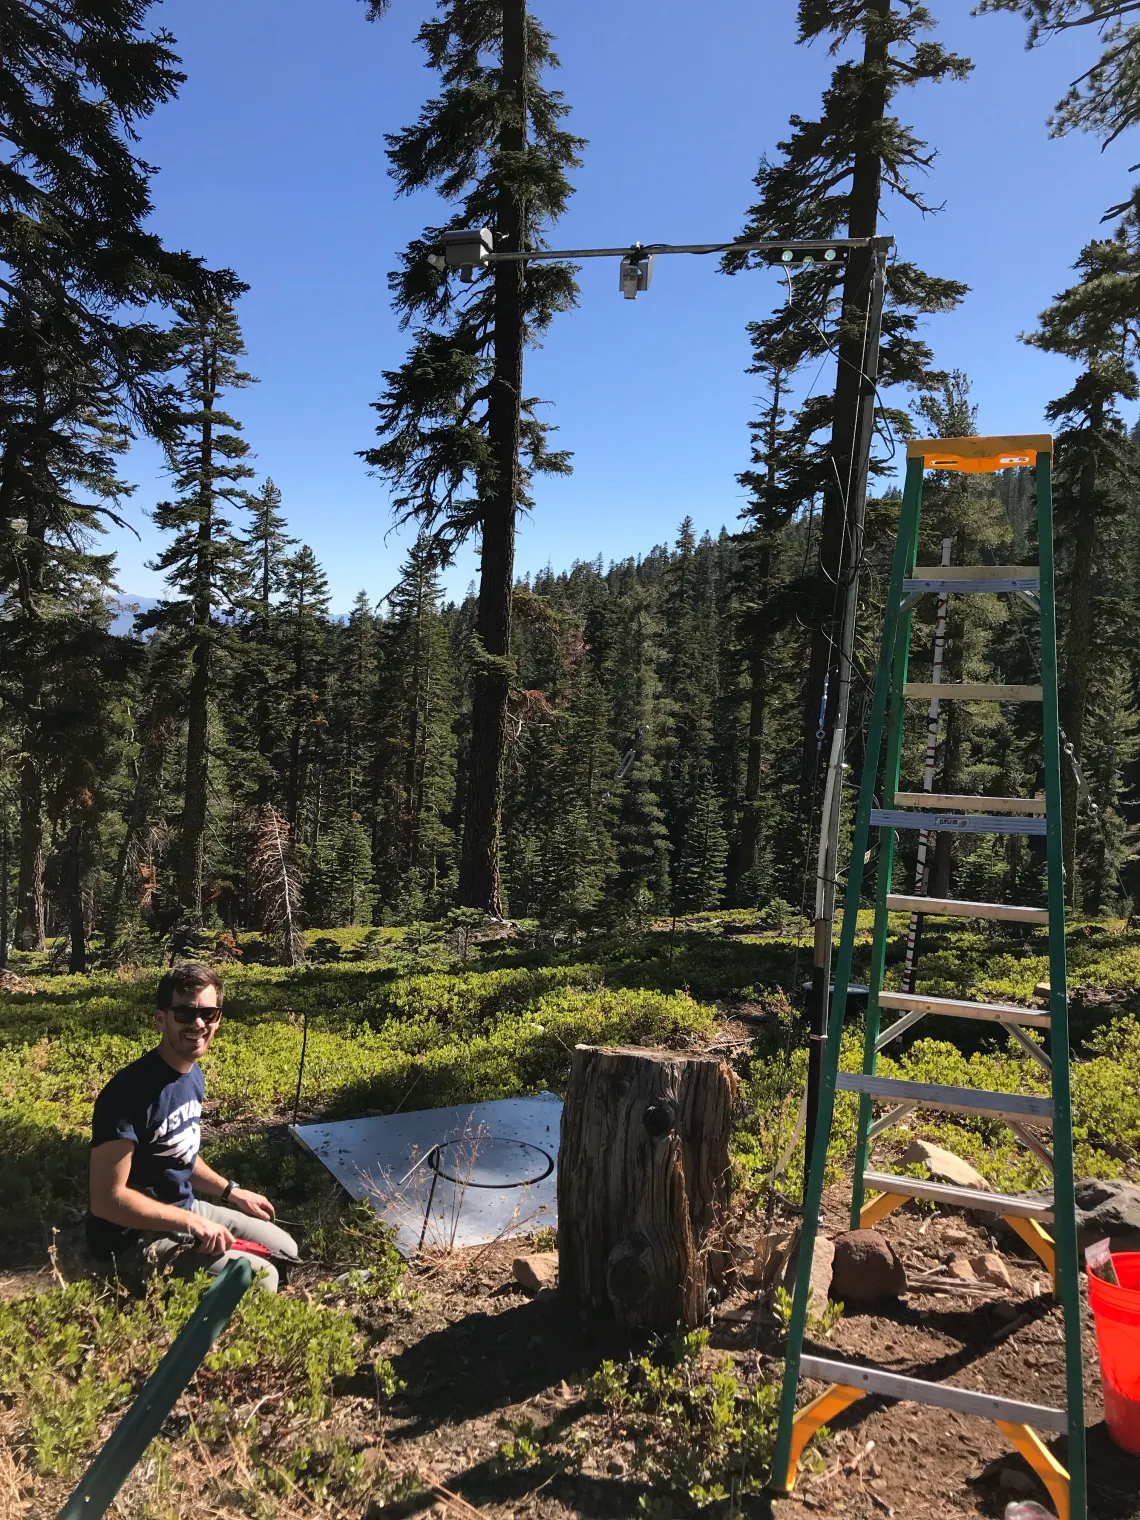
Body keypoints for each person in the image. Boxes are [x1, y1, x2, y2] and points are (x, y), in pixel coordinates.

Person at [87, 963, 298, 1292]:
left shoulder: (191, 1075)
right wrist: (189, 1222)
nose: (198, 1024)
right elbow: (106, 1200)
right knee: (262, 1279)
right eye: (184, 1014)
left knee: (286, 1250)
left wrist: (231, 1191)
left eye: (208, 1014)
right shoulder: (126, 1094)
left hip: (184, 1211)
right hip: (134, 1240)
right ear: (161, 1018)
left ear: (218, 1019)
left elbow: (178, 1151)